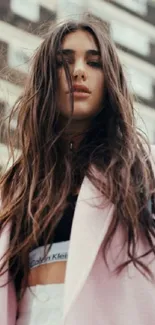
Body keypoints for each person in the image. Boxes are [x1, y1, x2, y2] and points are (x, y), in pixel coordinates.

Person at [0, 14, 155, 325]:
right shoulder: (17, 186)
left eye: (94, 62)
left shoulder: (139, 176)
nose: (79, 71)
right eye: (63, 61)